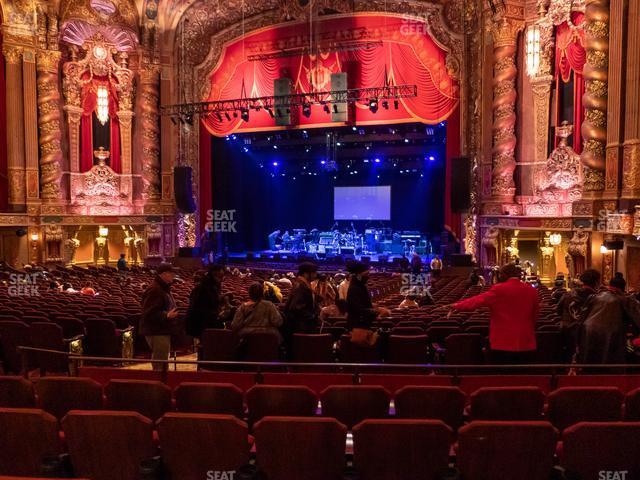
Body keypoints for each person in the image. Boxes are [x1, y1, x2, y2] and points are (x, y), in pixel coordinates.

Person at [450, 263, 539, 364]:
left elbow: (477, 301)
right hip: (526, 340)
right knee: (524, 377)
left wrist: (456, 306)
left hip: (502, 342)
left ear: (504, 275)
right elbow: (535, 315)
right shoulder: (532, 291)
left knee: (501, 377)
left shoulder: (498, 289)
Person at [578, 274, 640, 364]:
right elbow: (637, 318)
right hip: (610, 333)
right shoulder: (625, 299)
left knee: (590, 364)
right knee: (609, 365)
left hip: (588, 331)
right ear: (622, 288)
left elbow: (582, 316)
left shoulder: (594, 297)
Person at [140, 263, 179, 371]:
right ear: (164, 274)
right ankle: (158, 383)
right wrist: (166, 315)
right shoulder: (155, 289)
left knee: (163, 360)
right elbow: (148, 312)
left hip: (161, 330)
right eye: (171, 274)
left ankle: (162, 381)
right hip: (156, 331)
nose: (173, 276)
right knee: (160, 361)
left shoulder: (162, 288)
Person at [557, 269, 601, 359]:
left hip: (567, 331)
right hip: (588, 335)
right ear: (597, 282)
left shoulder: (568, 295)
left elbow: (558, 311)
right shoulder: (599, 299)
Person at [185, 264, 224, 339]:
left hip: (204, 323)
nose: (221, 279)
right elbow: (198, 308)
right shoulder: (203, 288)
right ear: (214, 275)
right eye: (220, 277)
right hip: (200, 324)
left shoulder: (211, 286)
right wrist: (216, 314)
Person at [283, 263, 319, 337]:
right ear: (305, 274)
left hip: (301, 325)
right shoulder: (300, 287)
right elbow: (296, 308)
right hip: (300, 327)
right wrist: (313, 315)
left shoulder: (303, 284)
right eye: (313, 272)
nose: (315, 275)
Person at [346, 261, 379, 331]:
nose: (368, 276)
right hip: (358, 326)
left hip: (362, 324)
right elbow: (357, 309)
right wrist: (375, 311)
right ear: (359, 275)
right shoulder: (354, 288)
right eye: (367, 274)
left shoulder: (360, 286)